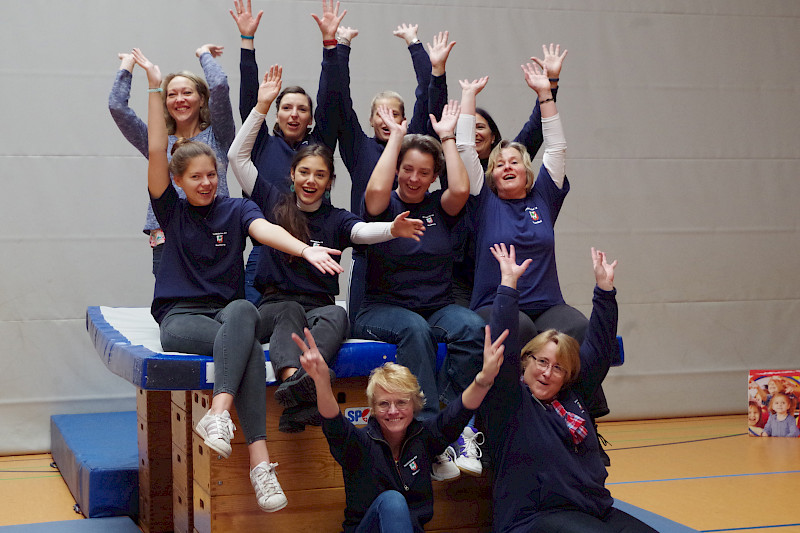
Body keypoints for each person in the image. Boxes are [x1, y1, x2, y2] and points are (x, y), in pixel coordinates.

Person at [132, 48, 343, 513]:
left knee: (244, 312)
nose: (207, 183)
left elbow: (265, 230)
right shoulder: (172, 209)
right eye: (197, 177)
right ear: (179, 181)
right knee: (244, 344)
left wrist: (305, 248)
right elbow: (153, 146)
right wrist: (152, 84)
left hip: (227, 313)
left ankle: (220, 414)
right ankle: (259, 463)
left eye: (212, 175)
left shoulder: (236, 208)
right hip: (182, 317)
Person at [228, 64, 425, 432]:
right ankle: (300, 381)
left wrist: (392, 228)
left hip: (318, 307)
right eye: (304, 173)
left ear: (330, 181)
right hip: (275, 304)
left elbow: (363, 232)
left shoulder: (337, 218)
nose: (311, 180)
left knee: (338, 317)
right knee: (288, 310)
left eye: (320, 175)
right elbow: (237, 158)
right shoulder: (273, 201)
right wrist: (260, 107)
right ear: (292, 175)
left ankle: (295, 391)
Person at [352, 99, 487, 481]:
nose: (414, 178)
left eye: (423, 173)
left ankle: (454, 423)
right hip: (380, 310)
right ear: (397, 169)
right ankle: (428, 433)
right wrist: (396, 136)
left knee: (474, 328)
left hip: (437, 306)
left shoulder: (440, 207)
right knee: (415, 329)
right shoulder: (382, 204)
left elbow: (460, 187)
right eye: (407, 169)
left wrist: (446, 137)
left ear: (432, 178)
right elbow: (376, 189)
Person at [481, 243, 657, 532]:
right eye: (542, 361)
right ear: (526, 361)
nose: (548, 372)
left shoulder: (573, 398)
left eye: (558, 367)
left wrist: (604, 291)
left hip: (594, 510)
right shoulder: (510, 401)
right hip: (534, 519)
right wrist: (508, 285)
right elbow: (502, 340)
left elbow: (599, 348)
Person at [289, 316, 507, 532]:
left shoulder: (425, 437)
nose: (393, 411)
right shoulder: (360, 445)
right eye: (384, 404)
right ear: (373, 408)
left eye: (401, 402)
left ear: (414, 404)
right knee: (392, 501)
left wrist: (483, 380)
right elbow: (334, 424)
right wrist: (321, 382)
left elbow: (457, 413)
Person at [317, 2, 453, 323]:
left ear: (405, 119)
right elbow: (339, 100)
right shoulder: (359, 147)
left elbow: (429, 98)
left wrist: (416, 47)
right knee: (362, 329)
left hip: (409, 256)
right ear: (370, 118)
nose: (386, 118)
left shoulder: (411, 145)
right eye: (380, 112)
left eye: (394, 113)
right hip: (368, 254)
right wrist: (342, 47)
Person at [232, 0, 345, 303]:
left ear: (310, 117)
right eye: (286, 108)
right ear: (276, 113)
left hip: (315, 249)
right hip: (266, 253)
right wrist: (247, 44)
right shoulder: (260, 144)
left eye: (302, 109)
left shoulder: (318, 146)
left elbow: (331, 98)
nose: (294, 114)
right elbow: (249, 103)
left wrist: (330, 47)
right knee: (255, 329)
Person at [109, 43, 235, 276]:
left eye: (187, 92)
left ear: (201, 99)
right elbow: (117, 107)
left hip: (214, 232)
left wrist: (203, 54)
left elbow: (219, 85)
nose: (180, 99)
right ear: (164, 102)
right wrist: (127, 64)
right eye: (172, 94)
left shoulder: (219, 135)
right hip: (168, 237)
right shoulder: (156, 142)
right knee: (172, 308)